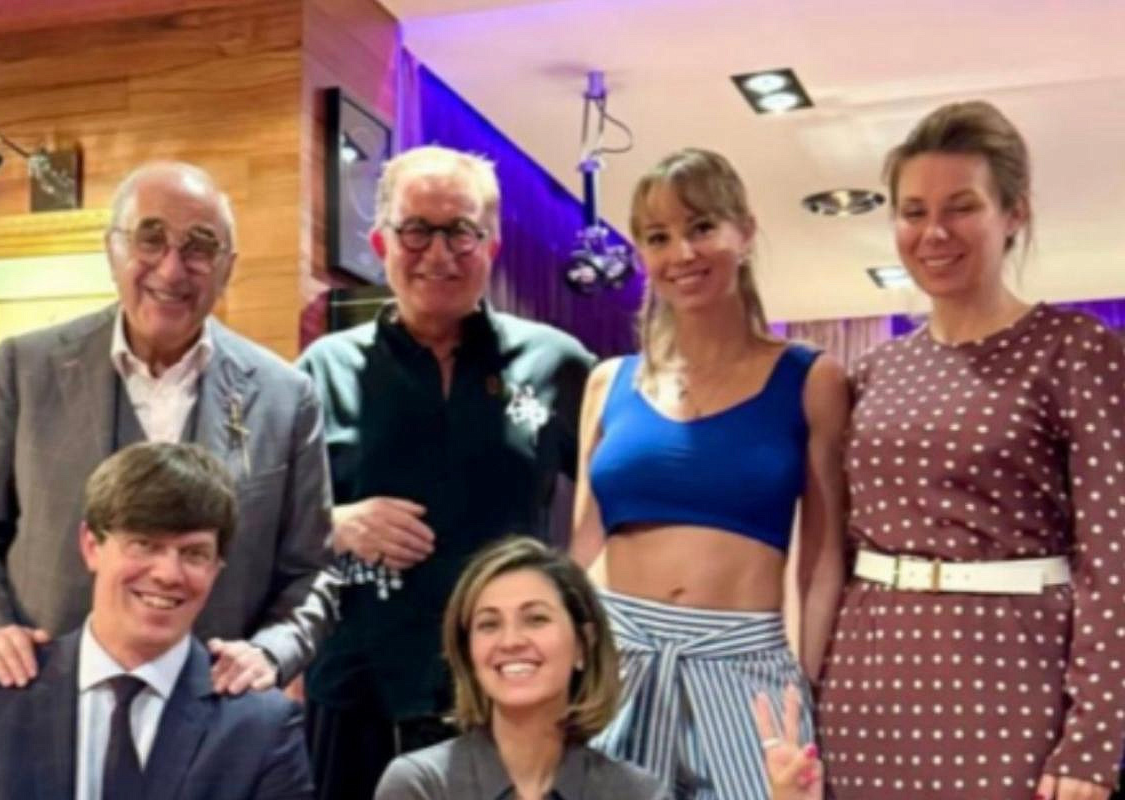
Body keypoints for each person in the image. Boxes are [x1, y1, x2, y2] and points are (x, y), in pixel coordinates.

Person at [0, 161, 338, 695]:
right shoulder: (25, 370)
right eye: (150, 239)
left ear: (227, 267)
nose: (171, 269)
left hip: (213, 709)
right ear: (112, 250)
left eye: (199, 246)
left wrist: (270, 652)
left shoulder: (287, 396)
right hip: (43, 696)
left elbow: (313, 572)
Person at [816, 100, 1125, 800]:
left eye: (961, 207)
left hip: (1012, 687)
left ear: (1014, 213)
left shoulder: (1075, 351)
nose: (934, 232)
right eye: (913, 211)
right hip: (865, 691)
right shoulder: (874, 371)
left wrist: (1093, 741)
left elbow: (1113, 561)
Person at [296, 144, 595, 799]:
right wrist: (334, 523)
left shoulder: (558, 364)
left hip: (507, 693)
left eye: (461, 231)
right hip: (360, 694)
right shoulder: (320, 370)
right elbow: (265, 522)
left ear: (491, 246)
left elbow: (617, 505)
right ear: (381, 242)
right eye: (416, 230)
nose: (438, 253)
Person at [570, 148, 848, 799]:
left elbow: (823, 557)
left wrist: (805, 681)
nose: (682, 253)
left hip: (746, 664)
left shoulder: (811, 377)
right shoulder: (608, 382)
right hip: (617, 654)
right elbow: (581, 546)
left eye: (701, 227)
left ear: (744, 232)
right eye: (658, 237)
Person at [0, 442, 314, 799]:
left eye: (194, 553)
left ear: (216, 568)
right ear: (91, 546)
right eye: (144, 544)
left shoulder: (261, 727)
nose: (168, 574)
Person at [374, 536, 666, 800]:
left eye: (536, 619)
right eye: (489, 624)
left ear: (583, 644)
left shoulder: (636, 793)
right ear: (469, 653)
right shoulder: (421, 785)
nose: (511, 641)